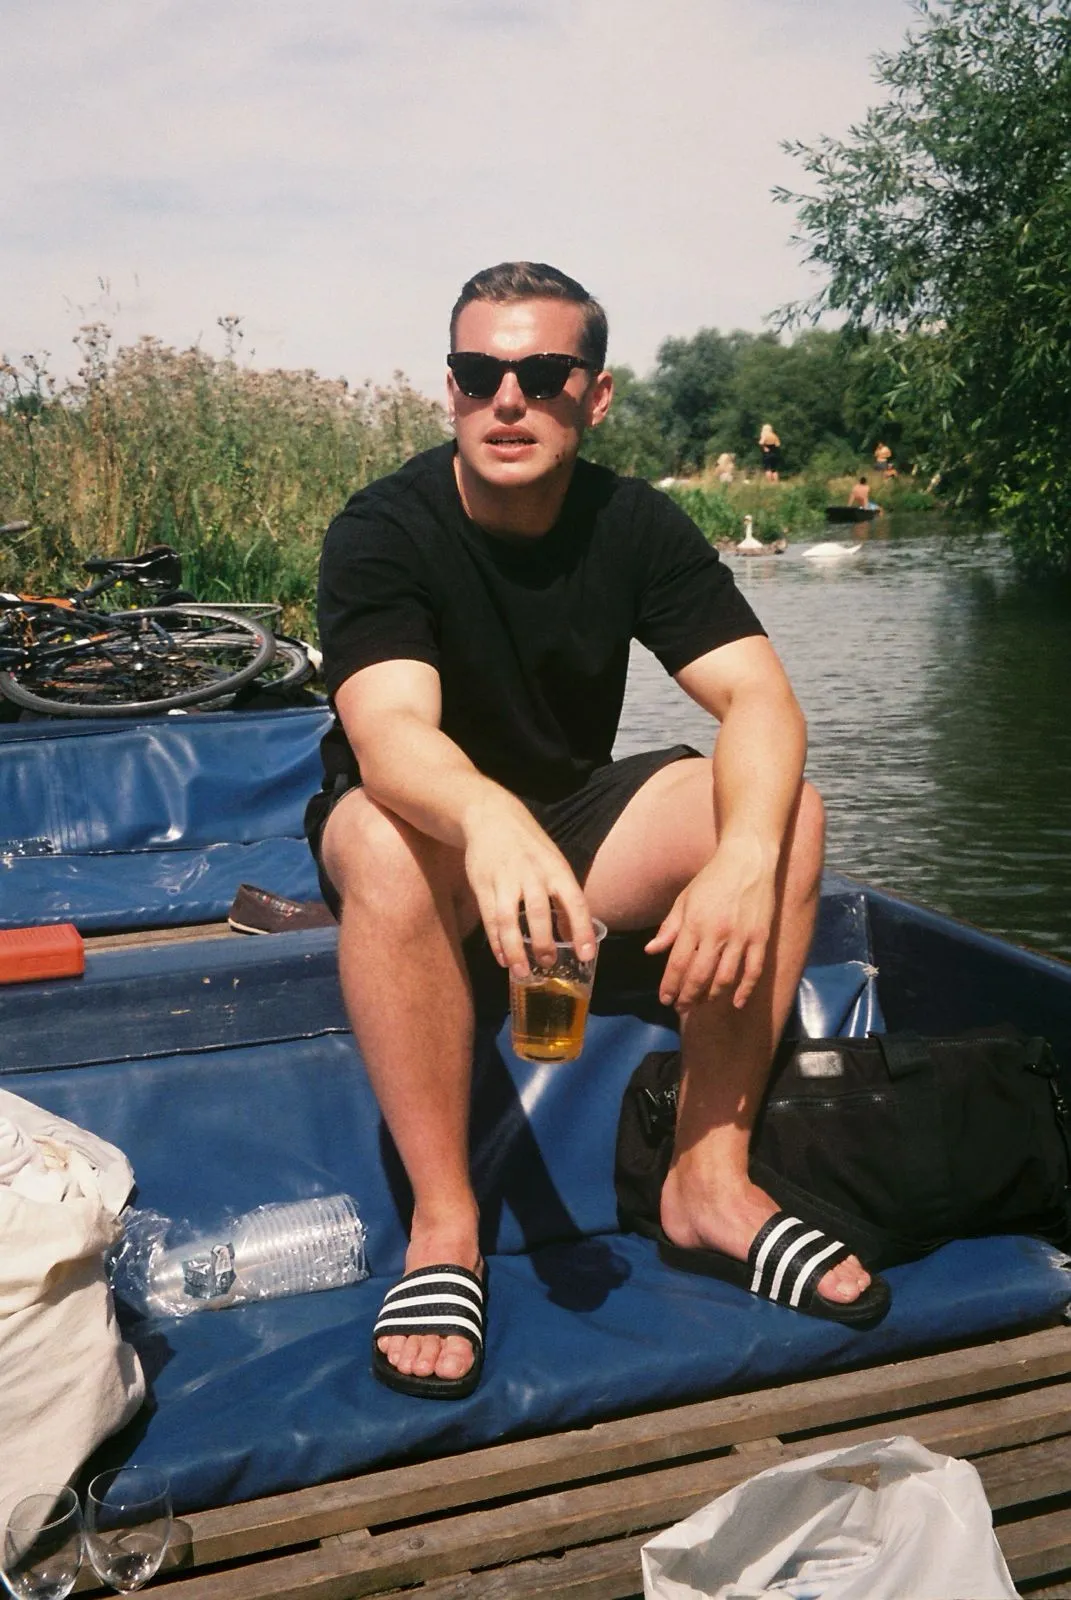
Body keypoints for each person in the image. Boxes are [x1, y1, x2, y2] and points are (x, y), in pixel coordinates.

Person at [306, 261, 888, 1401]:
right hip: (423, 833)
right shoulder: (384, 528)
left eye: (541, 373)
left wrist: (745, 860)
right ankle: (445, 1223)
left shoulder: (635, 523)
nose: (507, 399)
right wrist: (487, 819)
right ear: (452, 389)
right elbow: (389, 736)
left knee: (783, 806)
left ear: (596, 394)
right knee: (381, 834)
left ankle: (708, 1180)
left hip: (575, 820)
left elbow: (761, 701)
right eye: (480, 373)